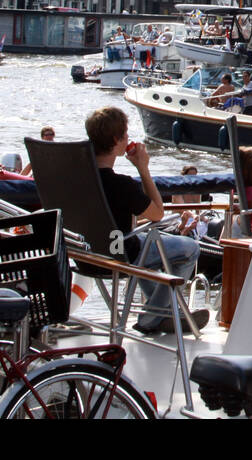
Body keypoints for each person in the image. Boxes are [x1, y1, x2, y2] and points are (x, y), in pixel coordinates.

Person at [85, 106, 204, 335]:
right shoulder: (123, 185)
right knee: (191, 248)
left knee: (148, 246)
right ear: (117, 140)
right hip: (120, 253)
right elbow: (157, 213)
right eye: (126, 135)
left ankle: (163, 312)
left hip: (86, 253)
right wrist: (143, 169)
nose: (128, 139)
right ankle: (152, 316)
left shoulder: (79, 179)